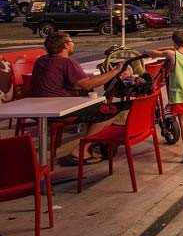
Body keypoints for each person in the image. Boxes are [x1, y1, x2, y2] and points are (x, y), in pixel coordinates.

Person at [30, 32, 121, 166]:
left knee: (95, 111)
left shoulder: (41, 60)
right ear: (66, 45)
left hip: (38, 110)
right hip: (61, 111)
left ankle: (88, 147)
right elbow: (87, 84)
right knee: (110, 111)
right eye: (71, 41)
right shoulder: (67, 62)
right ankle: (81, 151)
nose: (73, 44)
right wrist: (115, 71)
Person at [144, 30, 183, 164]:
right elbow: (174, 48)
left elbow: (158, 53)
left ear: (174, 42)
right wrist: (173, 46)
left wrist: (149, 51)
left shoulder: (172, 54)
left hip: (181, 93)